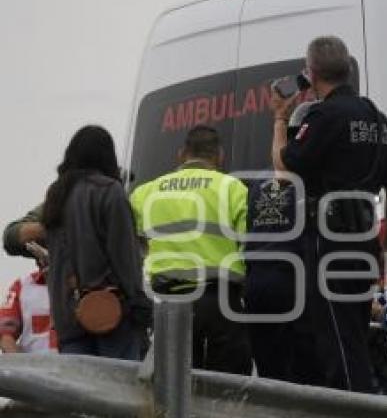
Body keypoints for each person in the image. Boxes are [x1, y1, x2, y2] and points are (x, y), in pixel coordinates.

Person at [273, 36, 387, 393]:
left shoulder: (323, 116)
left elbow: (284, 170)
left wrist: (280, 117)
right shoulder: (380, 120)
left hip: (327, 242)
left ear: (311, 74)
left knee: (338, 347)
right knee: (354, 337)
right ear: (348, 71)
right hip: (364, 240)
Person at [130, 125, 253, 375]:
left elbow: (131, 244)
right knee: (228, 391)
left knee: (175, 389)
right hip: (220, 302)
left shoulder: (145, 192)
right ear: (219, 155)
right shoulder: (232, 188)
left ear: (181, 154)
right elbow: (250, 244)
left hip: (169, 304)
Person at [43, 125, 150, 358]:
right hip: (110, 314)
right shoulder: (109, 191)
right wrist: (137, 300)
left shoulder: (55, 195)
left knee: (80, 390)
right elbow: (125, 258)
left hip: (67, 317)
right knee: (117, 389)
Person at [245, 98, 316, 382]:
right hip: (291, 283)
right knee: (302, 375)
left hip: (256, 285)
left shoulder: (258, 181)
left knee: (269, 373)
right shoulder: (310, 176)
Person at [0, 260, 56, 355]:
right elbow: (4, 333)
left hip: (78, 365)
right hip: (33, 367)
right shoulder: (22, 285)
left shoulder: (84, 286)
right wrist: (21, 364)